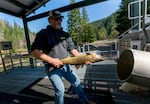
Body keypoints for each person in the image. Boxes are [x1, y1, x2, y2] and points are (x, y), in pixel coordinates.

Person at [31, 10, 96, 104]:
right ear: (50, 20)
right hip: (52, 68)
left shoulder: (66, 35)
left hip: (66, 66)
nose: (59, 21)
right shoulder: (43, 33)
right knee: (60, 90)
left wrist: (83, 59)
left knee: (77, 83)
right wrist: (52, 61)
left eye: (60, 19)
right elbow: (34, 51)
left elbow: (72, 50)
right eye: (56, 19)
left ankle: (85, 101)